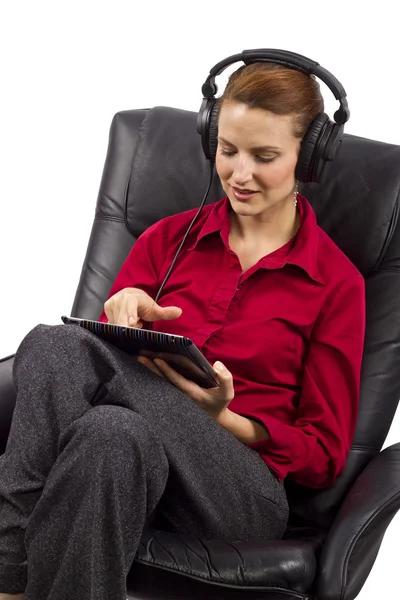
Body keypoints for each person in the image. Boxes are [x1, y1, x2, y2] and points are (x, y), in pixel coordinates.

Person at [0, 60, 366, 600]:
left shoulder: (336, 283)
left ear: (308, 158)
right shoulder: (166, 241)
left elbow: (325, 451)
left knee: (55, 343)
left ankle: (6, 578)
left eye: (265, 157)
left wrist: (223, 417)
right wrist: (117, 315)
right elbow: (81, 381)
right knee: (109, 434)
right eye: (227, 150)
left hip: (238, 494)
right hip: (137, 453)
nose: (240, 174)